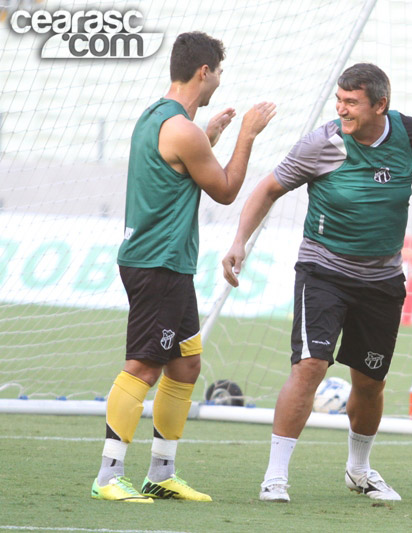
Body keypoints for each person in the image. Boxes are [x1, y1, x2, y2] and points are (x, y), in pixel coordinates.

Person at [221, 63, 412, 503]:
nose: (341, 109)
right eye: (339, 100)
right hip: (323, 271)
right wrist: (239, 241)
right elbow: (268, 188)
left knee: (370, 381)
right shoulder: (322, 142)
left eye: (351, 102)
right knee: (310, 365)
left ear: (380, 106)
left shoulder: (410, 135)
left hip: (383, 278)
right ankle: (275, 476)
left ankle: (359, 470)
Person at [92, 31, 276, 503]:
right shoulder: (183, 129)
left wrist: (209, 136)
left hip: (166, 265)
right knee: (144, 366)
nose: (218, 80)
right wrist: (246, 136)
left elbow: (178, 165)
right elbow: (227, 188)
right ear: (204, 72)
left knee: (187, 365)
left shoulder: (160, 117)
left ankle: (161, 473)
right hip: (158, 265)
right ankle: (108, 477)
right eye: (218, 72)